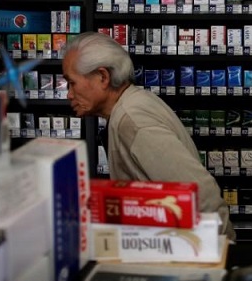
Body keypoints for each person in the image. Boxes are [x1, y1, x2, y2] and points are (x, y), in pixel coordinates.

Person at [61, 31, 236, 241]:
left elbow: (201, 194)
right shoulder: (130, 106)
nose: (69, 94)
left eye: (72, 83)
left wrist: (217, 256)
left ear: (102, 77)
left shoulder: (133, 121)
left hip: (198, 257)